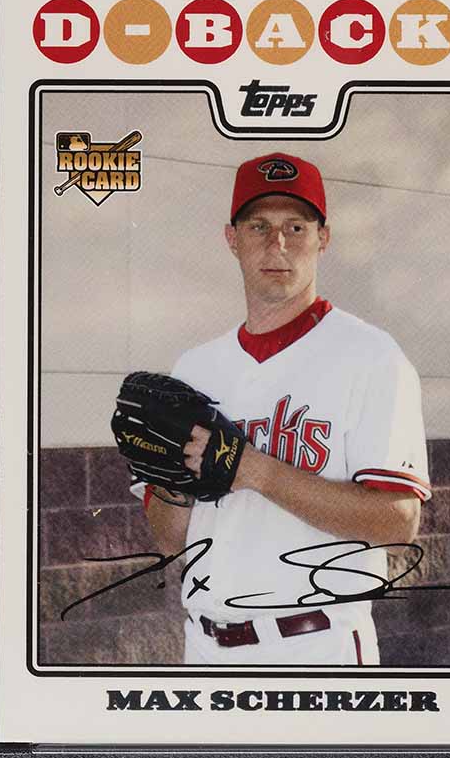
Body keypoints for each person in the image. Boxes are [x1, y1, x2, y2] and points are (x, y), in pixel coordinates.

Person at [133, 152, 431, 666]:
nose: (278, 245)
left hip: (318, 644)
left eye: (296, 226)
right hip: (205, 647)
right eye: (259, 226)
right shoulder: (194, 368)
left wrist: (256, 471)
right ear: (232, 239)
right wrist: (173, 484)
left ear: (323, 238)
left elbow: (398, 522)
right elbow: (169, 538)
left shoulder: (372, 356)